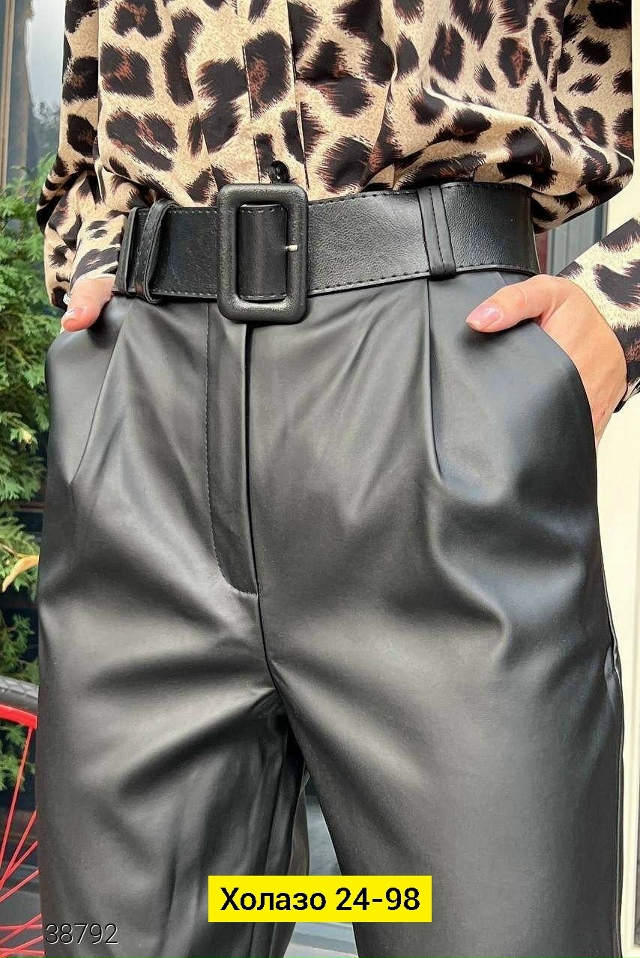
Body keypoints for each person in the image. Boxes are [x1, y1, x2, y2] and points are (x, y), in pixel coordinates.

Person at [34, 0, 634, 955]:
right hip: (143, 421)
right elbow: (84, 117)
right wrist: (100, 258)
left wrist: (619, 308)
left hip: (440, 399)